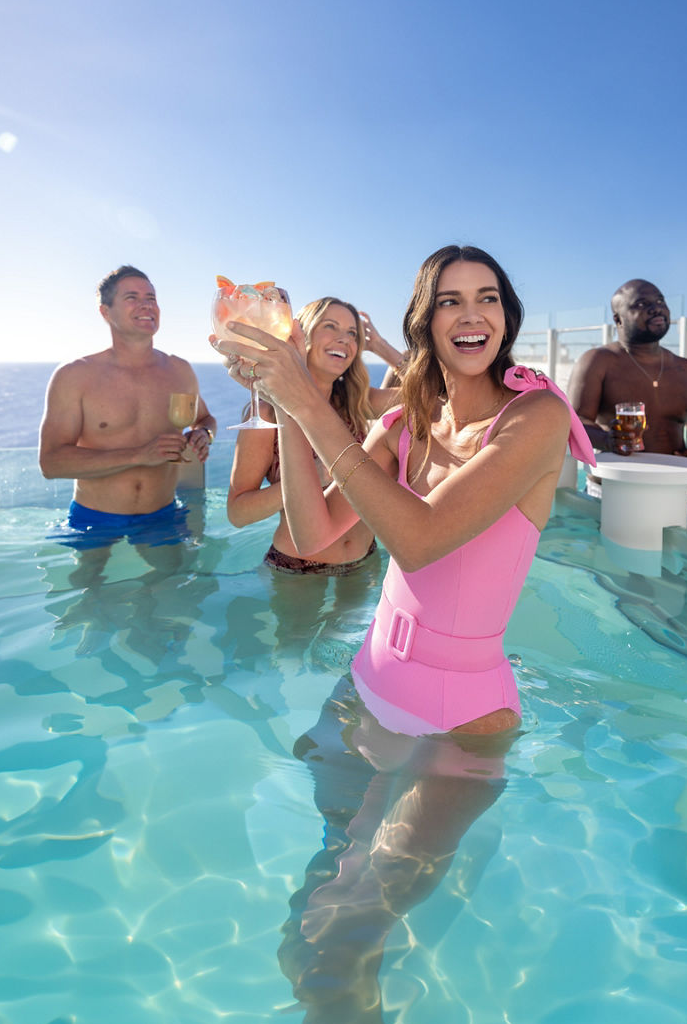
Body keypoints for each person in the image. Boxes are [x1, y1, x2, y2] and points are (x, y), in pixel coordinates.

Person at [218, 244, 596, 737]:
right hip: (369, 673)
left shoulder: (536, 416)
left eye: (487, 298)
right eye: (448, 301)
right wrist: (284, 407)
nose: (470, 315)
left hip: (462, 711)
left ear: (506, 316)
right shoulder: (404, 422)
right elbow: (313, 536)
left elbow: (419, 541)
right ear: (424, 321)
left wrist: (307, 403)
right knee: (330, 807)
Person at [39, 265, 216, 549]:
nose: (146, 304)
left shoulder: (180, 371)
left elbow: (204, 418)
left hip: (163, 514)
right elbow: (50, 463)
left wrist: (203, 435)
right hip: (94, 520)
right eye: (132, 297)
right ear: (105, 312)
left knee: (176, 588)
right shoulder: (74, 376)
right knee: (89, 591)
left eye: (152, 297)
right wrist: (138, 455)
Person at [226, 297, 400, 574]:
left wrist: (380, 346)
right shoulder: (268, 413)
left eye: (352, 333)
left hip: (364, 558)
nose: (344, 339)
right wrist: (317, 476)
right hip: (298, 568)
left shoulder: (357, 402)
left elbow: (435, 395)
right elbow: (237, 512)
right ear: (300, 336)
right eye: (330, 327)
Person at [568, 278, 687, 456]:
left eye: (660, 301)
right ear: (618, 319)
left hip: (675, 481)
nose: (656, 308)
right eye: (641, 304)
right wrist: (608, 440)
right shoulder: (598, 362)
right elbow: (573, 422)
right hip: (613, 481)